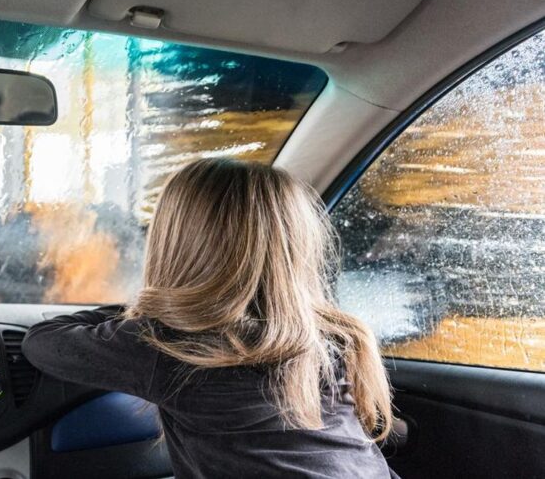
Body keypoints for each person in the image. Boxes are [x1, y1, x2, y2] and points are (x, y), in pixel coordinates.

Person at [22, 158, 396, 478]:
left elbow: (43, 341)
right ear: (297, 246)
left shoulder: (173, 345)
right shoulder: (334, 337)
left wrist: (165, 307)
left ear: (176, 244)